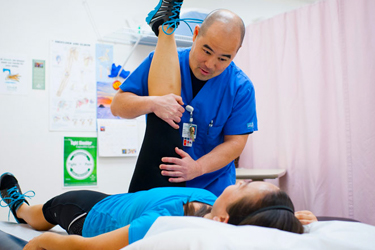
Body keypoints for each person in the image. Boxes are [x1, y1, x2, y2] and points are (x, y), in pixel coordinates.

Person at [111, 0, 258, 196]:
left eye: (224, 58)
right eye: (206, 51)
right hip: (161, 180)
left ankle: (164, 27)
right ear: (195, 34)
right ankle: (165, 29)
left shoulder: (241, 87)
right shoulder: (161, 62)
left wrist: (198, 167)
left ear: (235, 54)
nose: (210, 64)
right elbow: (118, 106)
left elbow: (236, 143)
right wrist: (152, 103)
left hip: (213, 188)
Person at [0, 172, 317, 250]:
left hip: (91, 213)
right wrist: (292, 220)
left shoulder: (163, 227)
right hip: (119, 202)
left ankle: (19, 207)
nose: (242, 180)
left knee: (43, 214)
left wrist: (40, 245)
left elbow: (84, 247)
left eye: (245, 187)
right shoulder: (213, 203)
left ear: (222, 219)